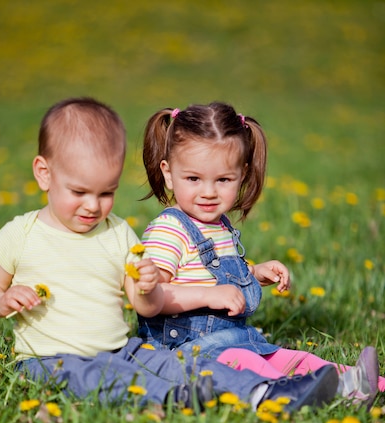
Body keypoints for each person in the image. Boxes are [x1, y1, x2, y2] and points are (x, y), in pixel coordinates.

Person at [0, 96, 341, 414]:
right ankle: (178, 395)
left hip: (121, 349)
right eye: (79, 191)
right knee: (102, 380)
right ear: (44, 173)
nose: (93, 206)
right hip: (47, 361)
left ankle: (266, 393)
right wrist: (0, 299)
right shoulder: (22, 232)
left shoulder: (118, 233)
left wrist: (146, 287)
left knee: (170, 363)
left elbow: (146, 307)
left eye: (106, 193)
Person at [138, 102, 382, 407]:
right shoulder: (168, 231)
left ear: (242, 175)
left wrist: (254, 272)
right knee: (255, 366)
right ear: (169, 174)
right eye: (193, 179)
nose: (209, 192)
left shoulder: (218, 225)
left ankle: (366, 382)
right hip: (187, 351)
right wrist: (209, 296)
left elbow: (210, 270)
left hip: (234, 339)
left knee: (294, 357)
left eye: (223, 180)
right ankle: (321, 394)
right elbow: (152, 296)